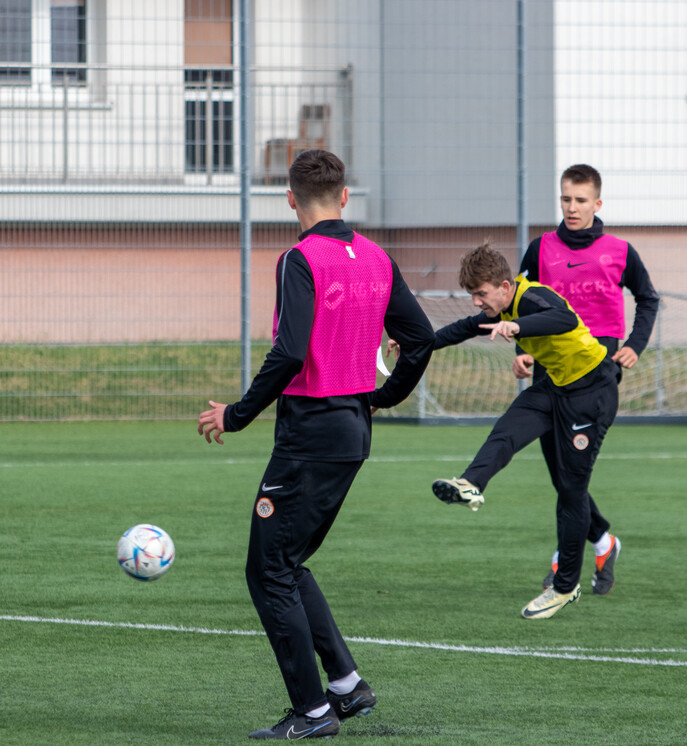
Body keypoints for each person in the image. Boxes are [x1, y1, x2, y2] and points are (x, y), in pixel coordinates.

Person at [197, 150, 434, 739]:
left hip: (309, 437)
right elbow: (421, 338)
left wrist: (236, 414)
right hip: (354, 431)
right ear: (346, 196)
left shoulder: (299, 259)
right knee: (286, 561)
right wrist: (383, 397)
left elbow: (291, 352)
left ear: (290, 199)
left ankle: (312, 712)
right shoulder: (377, 256)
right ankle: (347, 688)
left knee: (267, 570)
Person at [431, 242, 619, 620]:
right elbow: (459, 330)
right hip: (556, 388)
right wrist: (416, 344)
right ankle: (471, 484)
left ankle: (564, 587)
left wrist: (517, 325)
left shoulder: (531, 297)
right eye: (473, 295)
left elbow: (563, 319)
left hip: (592, 392)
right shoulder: (499, 307)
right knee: (508, 429)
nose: (477, 303)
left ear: (504, 285)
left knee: (571, 491)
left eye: (481, 294)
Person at [516, 164, 659, 594]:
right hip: (549, 368)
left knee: (572, 473)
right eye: (566, 199)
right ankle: (602, 540)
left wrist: (635, 342)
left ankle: (567, 558)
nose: (572, 207)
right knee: (560, 472)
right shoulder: (540, 248)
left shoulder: (620, 250)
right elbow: (519, 303)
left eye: (580, 200)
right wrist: (522, 349)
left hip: (597, 371)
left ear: (597, 204)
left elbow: (648, 298)